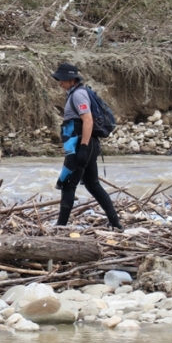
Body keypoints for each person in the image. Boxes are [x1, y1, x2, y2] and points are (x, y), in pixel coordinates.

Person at [51, 63, 123, 230]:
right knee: (92, 184)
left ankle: (60, 226)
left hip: (83, 145)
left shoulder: (78, 95)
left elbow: (88, 120)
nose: (59, 83)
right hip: (87, 145)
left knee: (68, 183)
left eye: (61, 79)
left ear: (71, 79)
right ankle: (116, 224)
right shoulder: (75, 93)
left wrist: (82, 148)